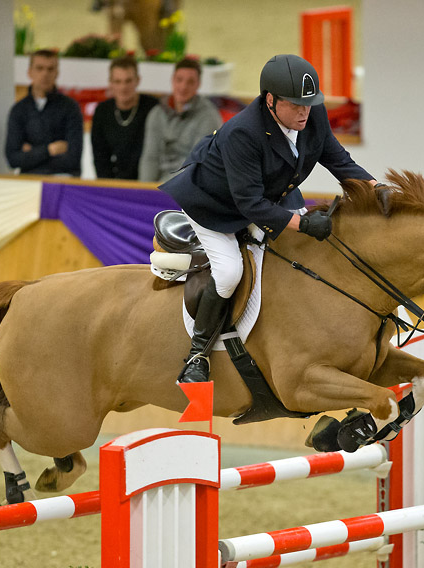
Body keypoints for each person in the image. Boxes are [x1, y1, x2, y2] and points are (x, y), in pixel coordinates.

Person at [160, 54, 389, 384]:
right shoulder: (243, 132)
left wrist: (375, 187)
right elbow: (249, 204)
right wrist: (304, 224)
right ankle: (198, 354)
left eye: (308, 105)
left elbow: (336, 158)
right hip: (217, 206)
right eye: (295, 105)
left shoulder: (312, 113)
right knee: (228, 272)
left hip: (272, 195)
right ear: (270, 100)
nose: (303, 112)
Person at [139, 58, 223, 182]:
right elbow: (150, 157)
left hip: (191, 186)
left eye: (190, 82)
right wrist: (144, 190)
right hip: (158, 186)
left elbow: (197, 164)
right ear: (172, 80)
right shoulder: (156, 113)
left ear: (198, 84)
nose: (183, 86)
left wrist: (164, 188)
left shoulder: (209, 117)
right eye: (179, 80)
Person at [5, 49, 83, 176]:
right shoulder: (19, 110)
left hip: (62, 178)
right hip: (29, 180)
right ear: (30, 72)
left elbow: (73, 159)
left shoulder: (70, 108)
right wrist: (49, 150)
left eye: (50, 69)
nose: (45, 74)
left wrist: (31, 153)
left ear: (56, 73)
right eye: (39, 68)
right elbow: (13, 158)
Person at [91, 56, 158, 179]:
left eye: (128, 81)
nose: (123, 87)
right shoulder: (102, 111)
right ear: (110, 83)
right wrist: (108, 187)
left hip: (150, 181)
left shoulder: (153, 108)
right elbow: (100, 156)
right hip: (115, 182)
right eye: (118, 81)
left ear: (137, 80)